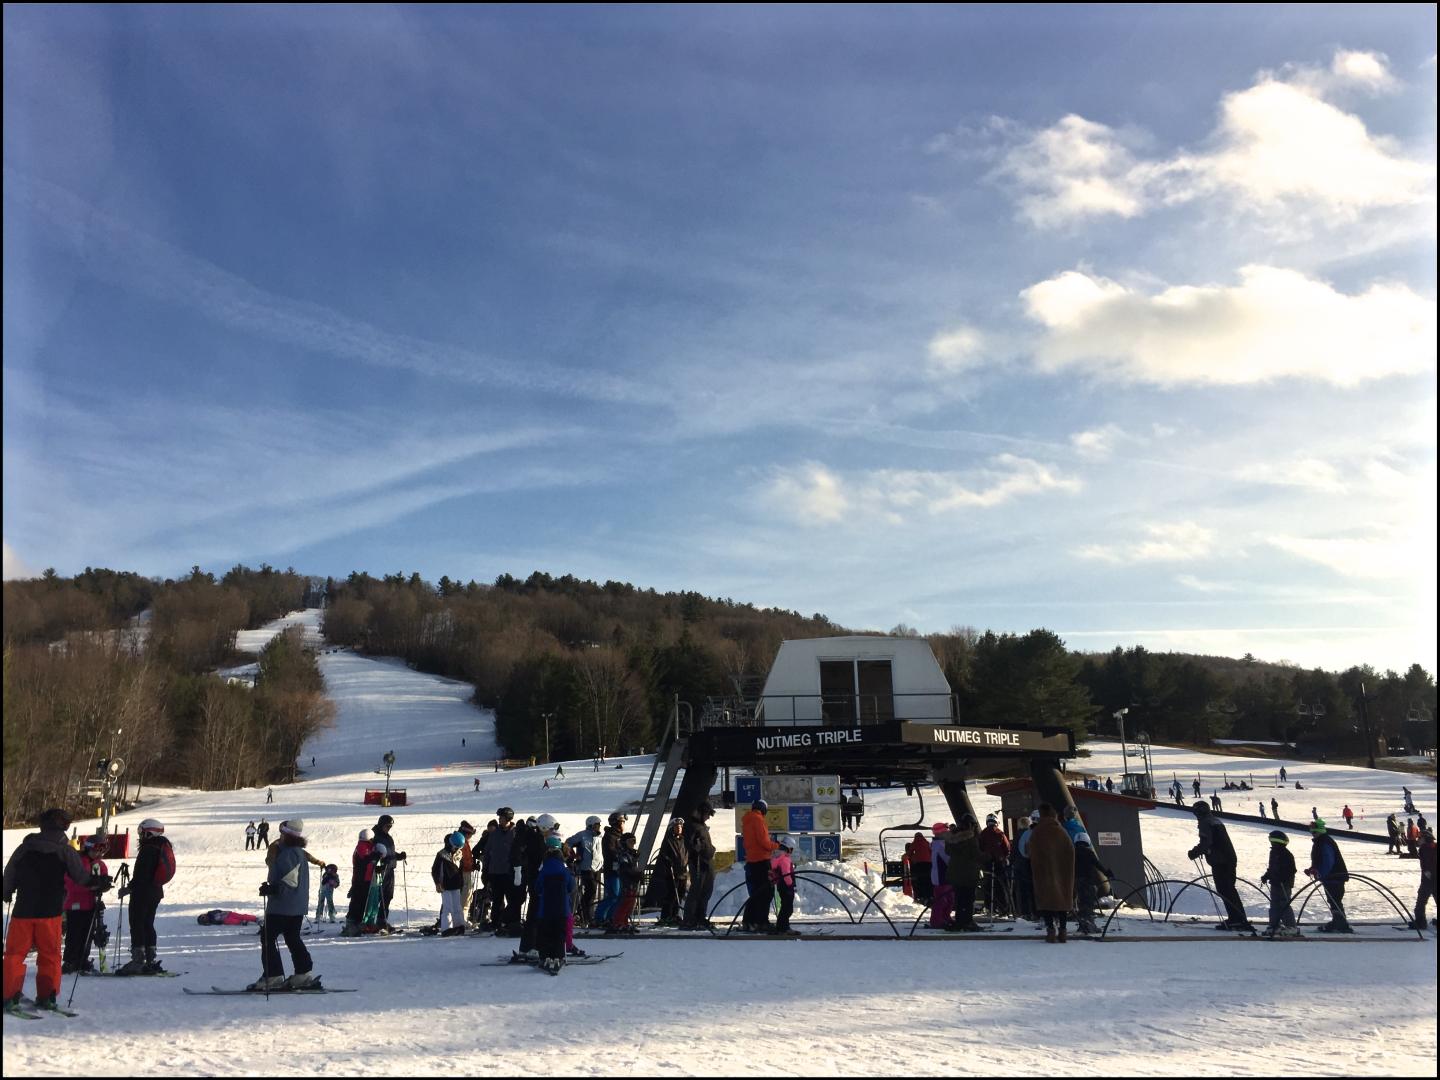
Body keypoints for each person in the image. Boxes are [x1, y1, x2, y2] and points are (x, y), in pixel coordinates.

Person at [3, 809, 112, 1012]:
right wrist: (99, 883)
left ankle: (9, 996)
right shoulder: (65, 851)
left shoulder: (25, 847)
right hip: (50, 911)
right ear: (64, 826)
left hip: (23, 910)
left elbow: (9, 872)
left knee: (15, 954)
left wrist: (7, 891)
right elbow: (81, 878)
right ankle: (47, 996)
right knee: (50, 955)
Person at [250, 819, 319, 991]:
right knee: (292, 937)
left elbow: (290, 881)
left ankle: (273, 976)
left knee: (268, 937)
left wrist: (273, 889)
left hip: (284, 905)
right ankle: (302, 973)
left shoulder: (290, 853)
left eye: (282, 833)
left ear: (287, 834)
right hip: (296, 904)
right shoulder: (297, 852)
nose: (279, 836)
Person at [116, 818, 174, 974]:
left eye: (141, 832)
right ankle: (150, 958)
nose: (140, 835)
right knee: (148, 923)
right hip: (155, 891)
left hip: (143, 892)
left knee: (137, 922)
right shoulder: (162, 845)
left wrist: (129, 888)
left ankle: (138, 960)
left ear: (149, 832)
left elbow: (142, 873)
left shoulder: (149, 848)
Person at [1187, 802, 1254, 932]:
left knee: (1225, 890)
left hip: (1220, 861)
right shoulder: (1215, 820)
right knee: (1229, 890)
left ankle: (1237, 920)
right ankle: (1238, 918)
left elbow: (1207, 841)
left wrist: (1195, 852)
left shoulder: (1205, 822)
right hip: (1229, 859)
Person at [62, 833, 111, 974]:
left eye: (102, 850)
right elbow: (71, 884)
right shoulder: (77, 862)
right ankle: (70, 961)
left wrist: (104, 885)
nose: (99, 853)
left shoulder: (100, 865)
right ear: (88, 848)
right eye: (96, 849)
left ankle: (82, 960)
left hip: (91, 905)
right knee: (74, 933)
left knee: (88, 934)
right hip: (76, 904)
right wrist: (91, 885)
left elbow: (101, 882)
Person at [1028, 804, 1074, 943]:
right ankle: (1063, 931)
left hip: (1043, 873)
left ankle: (1050, 931)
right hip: (1062, 873)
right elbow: (1070, 850)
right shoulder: (1061, 831)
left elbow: (1030, 851)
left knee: (1046, 902)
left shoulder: (1037, 832)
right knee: (1062, 902)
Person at [535, 834, 575, 973]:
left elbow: (538, 887)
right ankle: (558, 956)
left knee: (545, 933)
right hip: (561, 909)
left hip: (545, 909)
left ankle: (545, 956)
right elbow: (571, 887)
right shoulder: (564, 870)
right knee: (559, 933)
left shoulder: (543, 870)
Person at [1305, 818, 1351, 933]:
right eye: (1311, 832)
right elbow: (1320, 860)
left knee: (1335, 899)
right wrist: (1313, 869)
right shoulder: (1321, 841)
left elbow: (1328, 861)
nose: (1313, 834)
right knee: (1333, 900)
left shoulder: (1324, 842)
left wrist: (1320, 873)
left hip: (1334, 877)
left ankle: (1340, 923)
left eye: (1314, 832)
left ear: (1320, 831)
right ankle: (1338, 921)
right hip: (1330, 877)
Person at [741, 800, 778, 932]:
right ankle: (762, 922)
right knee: (766, 892)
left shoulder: (747, 820)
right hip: (762, 860)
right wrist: (777, 845)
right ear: (764, 810)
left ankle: (748, 921)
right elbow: (764, 843)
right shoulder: (758, 820)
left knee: (756, 892)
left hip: (752, 860)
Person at [680, 802, 718, 930]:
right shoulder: (691, 826)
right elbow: (690, 845)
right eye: (707, 814)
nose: (708, 817)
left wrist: (710, 849)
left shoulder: (701, 826)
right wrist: (697, 848)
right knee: (696, 891)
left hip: (707, 862)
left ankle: (700, 917)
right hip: (698, 863)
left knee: (706, 891)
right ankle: (689, 919)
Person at [942, 818, 983, 932]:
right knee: (968, 899)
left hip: (955, 873)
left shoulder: (951, 839)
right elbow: (976, 855)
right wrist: (990, 857)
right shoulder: (970, 839)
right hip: (968, 873)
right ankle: (968, 922)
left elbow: (948, 852)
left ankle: (959, 921)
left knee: (959, 899)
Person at [647, 816, 689, 926]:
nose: (679, 828)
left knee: (680, 894)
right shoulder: (669, 841)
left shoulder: (683, 840)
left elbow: (685, 855)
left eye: (680, 826)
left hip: (683, 872)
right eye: (676, 826)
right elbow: (664, 856)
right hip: (672, 873)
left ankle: (675, 915)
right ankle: (666, 916)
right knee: (671, 895)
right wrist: (668, 864)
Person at [370, 814, 408, 932]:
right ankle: (370, 922)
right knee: (377, 897)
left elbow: (389, 851)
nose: (389, 828)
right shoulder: (374, 836)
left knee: (388, 896)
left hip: (390, 869)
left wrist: (398, 856)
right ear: (381, 824)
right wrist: (379, 862)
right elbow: (373, 852)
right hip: (381, 870)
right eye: (387, 826)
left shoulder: (387, 836)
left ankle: (382, 920)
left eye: (390, 826)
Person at [482, 808, 518, 930]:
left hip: (509, 872)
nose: (499, 820)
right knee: (497, 900)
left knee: (512, 899)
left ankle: (510, 921)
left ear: (507, 818)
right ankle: (495, 921)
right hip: (495, 872)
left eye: (501, 817)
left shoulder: (515, 833)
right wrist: (485, 870)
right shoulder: (494, 834)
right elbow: (487, 852)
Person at [1259, 830, 1300, 938]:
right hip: (1275, 882)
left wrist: (1282, 878)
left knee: (1284, 904)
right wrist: (1266, 876)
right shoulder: (1274, 852)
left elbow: (1291, 870)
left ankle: (1291, 927)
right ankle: (1274, 925)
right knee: (1274, 904)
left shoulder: (1285, 854)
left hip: (1284, 884)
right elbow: (1272, 868)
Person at [1072, 834, 1113, 936]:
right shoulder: (1089, 853)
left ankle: (1082, 925)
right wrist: (1107, 873)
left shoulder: (1072, 852)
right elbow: (1097, 864)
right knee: (1088, 903)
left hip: (1075, 881)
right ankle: (1088, 925)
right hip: (1087, 881)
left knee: (1081, 902)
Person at [567, 816, 604, 927]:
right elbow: (568, 843)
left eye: (599, 825)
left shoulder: (599, 836)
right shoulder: (582, 835)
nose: (599, 827)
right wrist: (573, 856)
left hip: (597, 867)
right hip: (585, 867)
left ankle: (587, 916)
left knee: (592, 893)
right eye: (596, 825)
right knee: (590, 891)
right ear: (591, 825)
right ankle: (583, 914)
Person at [593, 812, 629, 928]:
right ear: (616, 823)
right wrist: (621, 855)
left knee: (618, 896)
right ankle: (599, 918)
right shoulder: (610, 837)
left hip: (619, 871)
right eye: (622, 822)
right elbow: (611, 852)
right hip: (612, 871)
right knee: (613, 896)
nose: (624, 825)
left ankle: (610, 918)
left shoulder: (619, 837)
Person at [431, 832, 466, 936]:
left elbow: (460, 869)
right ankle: (446, 928)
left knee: (457, 906)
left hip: (456, 885)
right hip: (445, 885)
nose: (457, 850)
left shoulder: (459, 854)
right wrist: (437, 882)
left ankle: (459, 926)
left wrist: (462, 882)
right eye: (455, 847)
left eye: (459, 848)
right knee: (448, 907)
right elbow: (435, 870)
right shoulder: (441, 855)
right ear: (450, 844)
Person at [341, 829, 375, 935]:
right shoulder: (362, 846)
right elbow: (365, 859)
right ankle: (351, 923)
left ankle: (358, 922)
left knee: (362, 902)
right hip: (360, 879)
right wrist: (374, 856)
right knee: (357, 901)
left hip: (366, 878)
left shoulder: (368, 846)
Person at [978, 814, 1011, 915]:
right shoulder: (1000, 833)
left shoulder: (983, 833)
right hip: (999, 863)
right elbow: (1007, 848)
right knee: (1000, 886)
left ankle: (989, 907)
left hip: (987, 863)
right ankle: (1003, 907)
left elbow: (980, 848)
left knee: (988, 885)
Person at [769, 836, 799, 936]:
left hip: (781, 885)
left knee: (785, 906)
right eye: (792, 849)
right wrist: (791, 884)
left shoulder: (777, 856)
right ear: (789, 848)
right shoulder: (785, 859)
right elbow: (786, 874)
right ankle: (783, 927)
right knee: (787, 908)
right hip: (786, 886)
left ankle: (781, 926)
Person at [929, 823, 954, 929]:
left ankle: (945, 917)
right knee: (942, 899)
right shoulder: (940, 845)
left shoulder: (939, 844)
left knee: (949, 898)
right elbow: (948, 859)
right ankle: (937, 920)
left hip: (943, 875)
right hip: (941, 876)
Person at [1412, 829, 1436, 931]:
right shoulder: (1434, 846)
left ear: (1425, 838)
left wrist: (1428, 871)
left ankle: (1420, 923)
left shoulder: (1425, 848)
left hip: (1429, 880)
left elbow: (1428, 862)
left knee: (1420, 903)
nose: (1418, 840)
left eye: (1420, 838)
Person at [906, 831, 933, 904]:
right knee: (928, 880)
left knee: (920, 880)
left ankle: (921, 896)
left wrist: (912, 857)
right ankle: (929, 895)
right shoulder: (927, 843)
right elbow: (931, 852)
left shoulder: (914, 843)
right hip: (928, 864)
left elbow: (909, 853)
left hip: (919, 864)